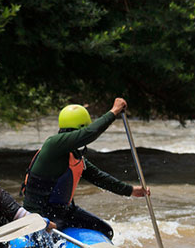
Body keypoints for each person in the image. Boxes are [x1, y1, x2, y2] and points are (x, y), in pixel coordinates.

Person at [21, 98, 148, 239]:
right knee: (51, 245)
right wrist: (114, 111)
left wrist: (130, 191)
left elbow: (99, 178)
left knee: (106, 231)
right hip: (39, 215)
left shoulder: (75, 156)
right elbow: (90, 133)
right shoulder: (53, 146)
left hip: (63, 212)